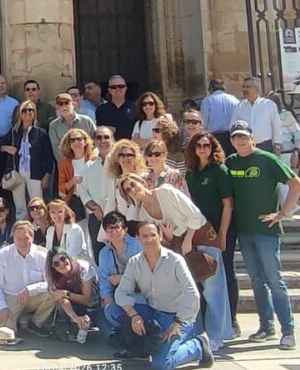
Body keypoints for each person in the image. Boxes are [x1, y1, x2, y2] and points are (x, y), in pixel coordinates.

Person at [119, 173, 233, 351]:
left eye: (133, 184)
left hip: (202, 237)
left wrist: (188, 239)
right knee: (192, 290)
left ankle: (218, 336)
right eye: (128, 190)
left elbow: (194, 214)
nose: (133, 190)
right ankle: (199, 333)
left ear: (142, 182)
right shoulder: (142, 212)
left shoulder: (166, 192)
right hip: (181, 246)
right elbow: (162, 236)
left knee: (213, 289)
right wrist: (172, 238)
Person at [225, 124, 299, 350]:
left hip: (266, 231)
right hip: (244, 231)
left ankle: (288, 331)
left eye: (244, 137)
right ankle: (266, 326)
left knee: (274, 281)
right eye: (236, 137)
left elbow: (294, 183)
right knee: (256, 280)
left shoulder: (267, 159)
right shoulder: (230, 162)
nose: (240, 141)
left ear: (252, 138)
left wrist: (283, 212)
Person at [110, 223, 214, 370]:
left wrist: (177, 323)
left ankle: (198, 345)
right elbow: (120, 293)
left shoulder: (175, 260)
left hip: (178, 317)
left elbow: (192, 294)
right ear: (138, 239)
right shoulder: (135, 262)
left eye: (153, 235)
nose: (149, 240)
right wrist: (134, 316)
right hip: (154, 312)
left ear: (160, 236)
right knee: (114, 310)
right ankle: (142, 348)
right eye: (145, 236)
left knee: (162, 364)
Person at [185, 132, 239, 334]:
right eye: (198, 145)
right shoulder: (191, 173)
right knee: (202, 277)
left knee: (223, 277)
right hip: (198, 233)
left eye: (206, 145)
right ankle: (205, 326)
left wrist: (222, 234)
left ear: (212, 147)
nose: (202, 149)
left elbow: (228, 204)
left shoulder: (220, 170)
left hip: (219, 231)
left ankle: (229, 323)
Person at [0, 220, 54, 336]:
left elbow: (51, 282)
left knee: (54, 293)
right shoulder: (2, 255)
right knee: (5, 332)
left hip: (35, 295)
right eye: (19, 239)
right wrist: (2, 307)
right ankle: (14, 320)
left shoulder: (42, 255)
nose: (23, 243)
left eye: (26, 238)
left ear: (32, 237)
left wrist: (31, 289)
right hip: (12, 296)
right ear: (13, 238)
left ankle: (36, 323)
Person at [1, 100, 54, 219]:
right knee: (19, 203)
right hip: (18, 172)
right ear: (20, 113)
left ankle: (39, 226)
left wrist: (47, 174)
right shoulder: (14, 132)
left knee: (37, 202)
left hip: (35, 172)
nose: (27, 113)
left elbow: (48, 156)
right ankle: (22, 226)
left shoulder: (41, 133)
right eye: (24, 110)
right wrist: (7, 148)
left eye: (31, 110)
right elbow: (0, 145)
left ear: (35, 113)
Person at [96, 212, 143, 341]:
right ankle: (131, 333)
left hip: (140, 293)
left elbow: (144, 275)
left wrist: (121, 279)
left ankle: (131, 336)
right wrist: (110, 303)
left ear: (125, 229)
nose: (114, 231)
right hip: (118, 297)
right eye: (110, 228)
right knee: (109, 311)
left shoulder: (137, 245)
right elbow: (105, 283)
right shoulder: (104, 253)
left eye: (117, 227)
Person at [46, 249, 97, 343]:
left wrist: (66, 293)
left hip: (95, 305)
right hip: (74, 305)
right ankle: (74, 325)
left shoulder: (83, 268)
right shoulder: (53, 277)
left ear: (68, 257)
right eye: (56, 264)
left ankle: (83, 325)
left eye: (63, 258)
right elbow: (60, 299)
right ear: (53, 268)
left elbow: (87, 300)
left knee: (110, 337)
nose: (62, 264)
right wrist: (75, 317)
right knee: (60, 301)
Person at [81, 126, 116, 250]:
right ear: (94, 141)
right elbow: (83, 190)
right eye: (99, 138)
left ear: (113, 140)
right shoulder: (89, 166)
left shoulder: (118, 163)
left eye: (106, 137)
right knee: (98, 253)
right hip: (96, 217)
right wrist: (95, 208)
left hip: (115, 216)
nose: (102, 141)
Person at [232, 76, 282, 152]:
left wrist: (277, 145)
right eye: (243, 87)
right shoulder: (239, 107)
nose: (244, 89)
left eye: (248, 87)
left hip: (265, 146)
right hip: (245, 147)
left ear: (257, 88)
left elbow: (276, 126)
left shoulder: (268, 105)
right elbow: (232, 127)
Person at [57, 128, 95, 226]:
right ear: (68, 144)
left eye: (79, 139)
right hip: (76, 201)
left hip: (94, 200)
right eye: (72, 140)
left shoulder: (94, 159)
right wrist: (72, 182)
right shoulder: (64, 163)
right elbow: (61, 188)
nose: (76, 142)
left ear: (85, 141)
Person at [104, 140, 147, 222]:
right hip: (124, 226)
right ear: (117, 159)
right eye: (122, 155)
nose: (126, 158)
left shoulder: (144, 177)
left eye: (130, 155)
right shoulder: (114, 181)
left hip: (142, 225)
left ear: (136, 158)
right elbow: (111, 206)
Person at [49, 93, 97, 165]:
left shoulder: (86, 120)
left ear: (73, 104)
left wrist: (91, 159)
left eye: (67, 103)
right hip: (67, 165)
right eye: (60, 104)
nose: (64, 106)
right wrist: (68, 164)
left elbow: (96, 141)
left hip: (89, 162)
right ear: (57, 107)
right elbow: (57, 149)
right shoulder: (53, 125)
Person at [45, 199, 93, 265]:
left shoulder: (74, 229)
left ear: (65, 213)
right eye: (53, 212)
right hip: (57, 268)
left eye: (60, 211)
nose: (56, 215)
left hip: (76, 268)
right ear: (49, 214)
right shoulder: (50, 230)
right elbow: (48, 253)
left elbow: (73, 255)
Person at [96, 75, 136, 140]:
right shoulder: (101, 109)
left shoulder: (135, 107)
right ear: (109, 90)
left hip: (130, 147)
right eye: (113, 87)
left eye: (121, 86)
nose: (117, 89)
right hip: (109, 147)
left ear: (126, 88)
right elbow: (98, 130)